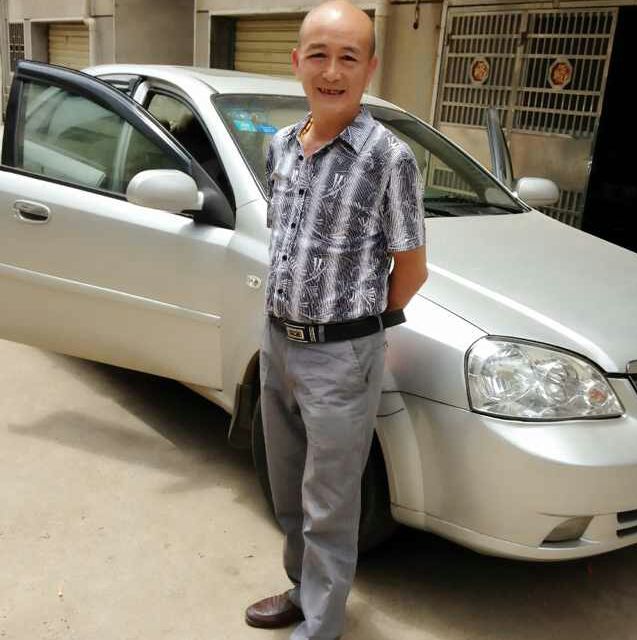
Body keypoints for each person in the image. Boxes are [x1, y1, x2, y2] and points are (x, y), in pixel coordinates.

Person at [245, 1, 428, 638]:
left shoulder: (389, 158)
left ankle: (321, 626)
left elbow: (411, 269)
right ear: (297, 62)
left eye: (348, 57)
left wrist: (356, 329)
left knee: (330, 497)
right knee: (286, 482)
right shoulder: (280, 147)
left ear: (369, 68)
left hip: (341, 356)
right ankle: (302, 590)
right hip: (277, 340)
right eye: (319, 55)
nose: (331, 71)